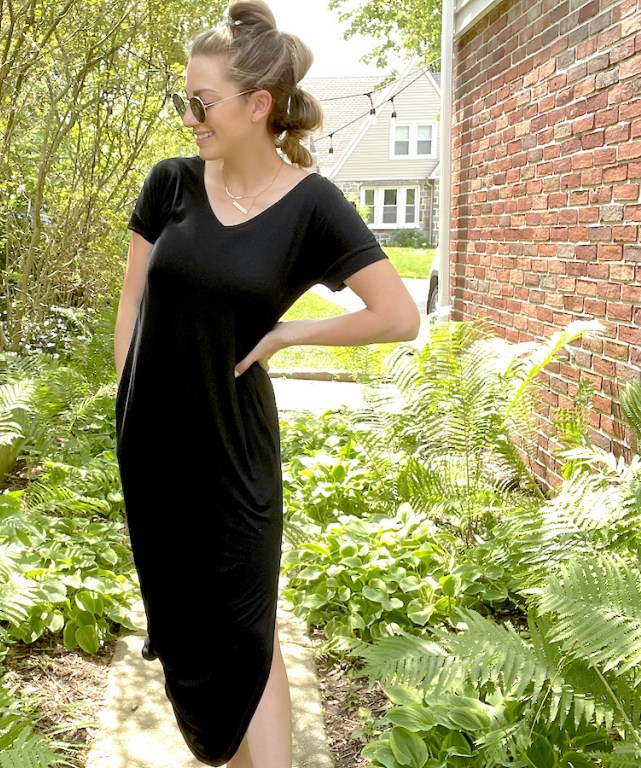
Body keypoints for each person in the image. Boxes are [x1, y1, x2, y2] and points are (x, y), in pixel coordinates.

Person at [112, 2, 420, 765]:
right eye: (185, 101)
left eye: (202, 102)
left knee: (248, 629)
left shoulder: (312, 205)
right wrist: (128, 405)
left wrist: (292, 332)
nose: (190, 117)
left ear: (257, 106)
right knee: (184, 627)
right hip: (155, 450)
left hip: (234, 452)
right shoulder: (170, 184)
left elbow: (397, 314)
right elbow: (131, 299)